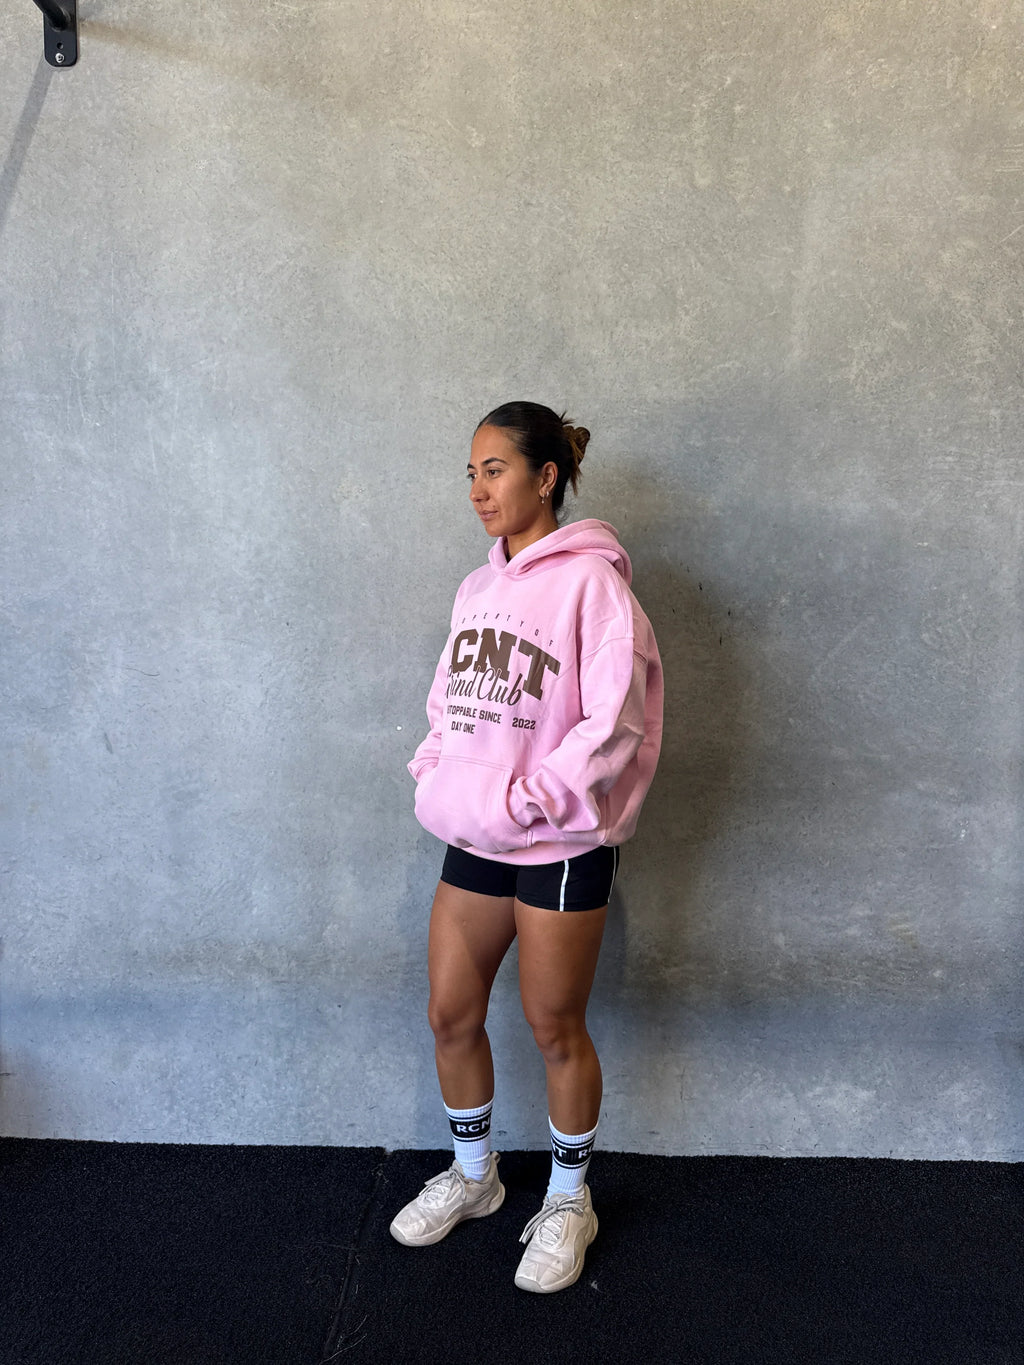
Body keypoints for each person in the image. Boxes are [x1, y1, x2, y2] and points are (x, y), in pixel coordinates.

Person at [390, 401, 663, 1293]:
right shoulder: (477, 589)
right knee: (450, 1012)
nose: (478, 489)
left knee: (554, 1026)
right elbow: (449, 703)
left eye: (495, 468)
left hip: (559, 843)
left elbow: (614, 722)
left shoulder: (594, 587)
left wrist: (527, 799)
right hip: (475, 831)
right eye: (469, 472)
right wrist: (437, 776)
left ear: (546, 476)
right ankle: (476, 1177)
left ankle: (569, 1201)